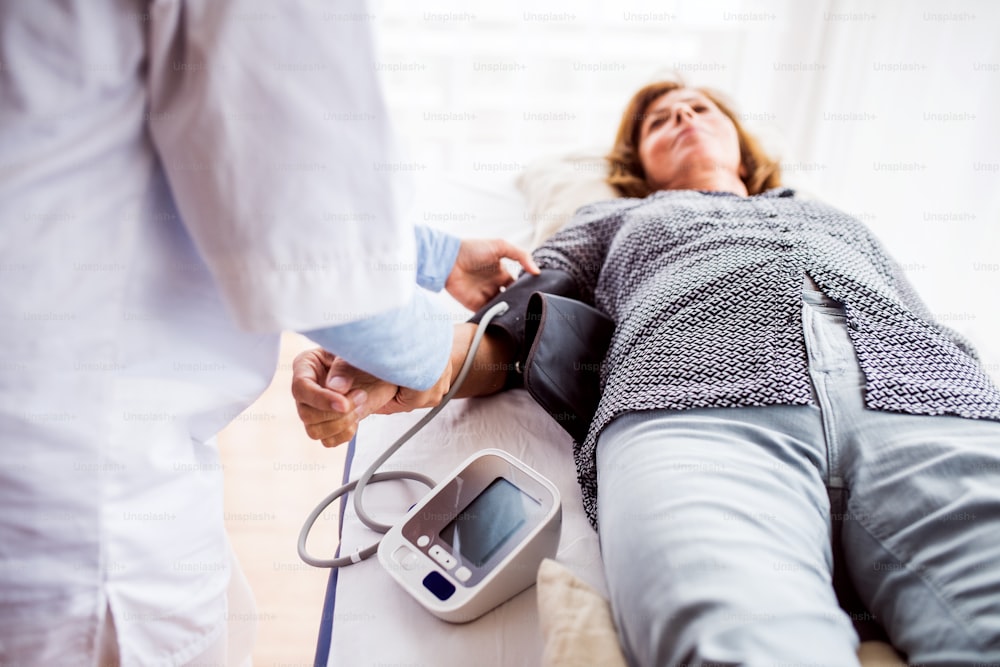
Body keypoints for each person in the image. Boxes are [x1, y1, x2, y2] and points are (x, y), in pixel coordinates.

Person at [293, 80, 1000, 665]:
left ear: (742, 146)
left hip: (927, 397)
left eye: (701, 108)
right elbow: (516, 320)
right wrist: (400, 364)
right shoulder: (613, 219)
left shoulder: (836, 217)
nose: (684, 118)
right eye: (661, 120)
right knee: (738, 643)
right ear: (639, 162)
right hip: (693, 401)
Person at [0, 2, 537, 665]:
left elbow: (198, 154)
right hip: (75, 508)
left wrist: (435, 258)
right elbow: (304, 223)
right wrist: (439, 356)